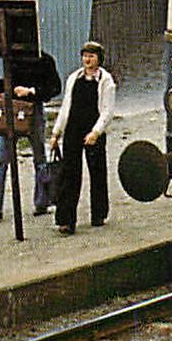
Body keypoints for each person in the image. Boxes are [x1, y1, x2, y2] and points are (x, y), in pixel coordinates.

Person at [0, 49, 62, 221]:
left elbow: (54, 88)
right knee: (3, 157)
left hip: (33, 110)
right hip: (12, 109)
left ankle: (42, 201)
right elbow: (9, 83)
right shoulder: (13, 59)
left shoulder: (44, 60)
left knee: (38, 157)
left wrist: (31, 91)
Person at [51, 41, 116, 235]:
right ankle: (66, 220)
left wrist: (96, 132)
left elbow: (107, 110)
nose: (87, 60)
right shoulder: (74, 78)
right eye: (85, 56)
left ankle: (99, 214)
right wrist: (56, 132)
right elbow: (66, 107)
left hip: (93, 129)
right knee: (69, 174)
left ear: (99, 59)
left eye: (92, 56)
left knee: (97, 173)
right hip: (73, 129)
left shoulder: (106, 81)